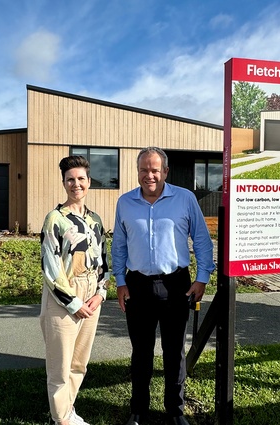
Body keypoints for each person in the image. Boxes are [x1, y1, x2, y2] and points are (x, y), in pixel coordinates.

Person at [112, 147, 215, 425]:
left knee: (174, 352)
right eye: (144, 170)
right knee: (141, 352)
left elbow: (202, 240)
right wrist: (120, 281)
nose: (150, 175)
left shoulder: (185, 199)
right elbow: (119, 246)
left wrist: (202, 277)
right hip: (138, 286)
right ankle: (138, 409)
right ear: (137, 172)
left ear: (166, 171)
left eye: (155, 170)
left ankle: (175, 410)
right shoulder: (125, 203)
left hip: (176, 285)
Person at [40, 155, 109, 425]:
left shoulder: (95, 220)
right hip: (64, 296)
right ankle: (62, 420)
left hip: (92, 297)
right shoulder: (55, 219)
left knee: (79, 363)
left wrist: (100, 294)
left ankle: (67, 411)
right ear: (64, 183)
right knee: (60, 366)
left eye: (81, 179)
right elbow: (51, 268)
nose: (76, 184)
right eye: (70, 179)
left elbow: (104, 260)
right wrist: (73, 302)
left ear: (89, 182)